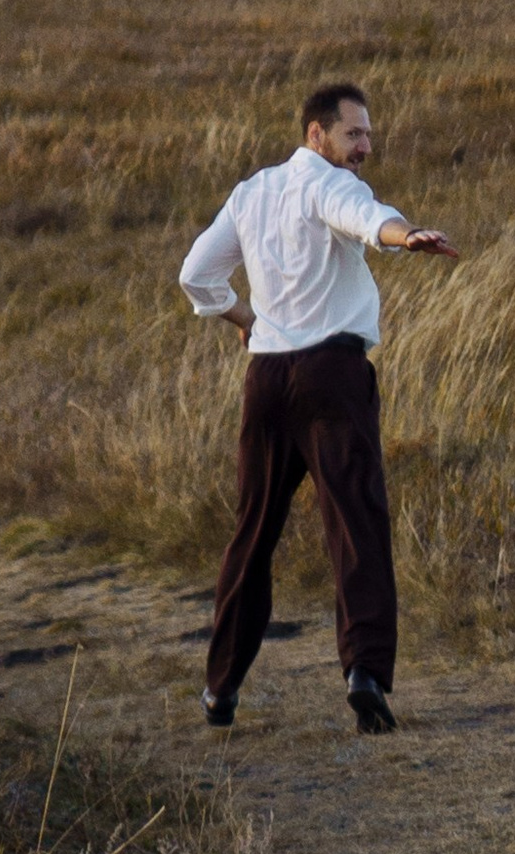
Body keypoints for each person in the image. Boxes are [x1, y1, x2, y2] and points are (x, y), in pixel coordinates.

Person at [181, 80, 458, 734]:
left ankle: (220, 689)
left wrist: (245, 320)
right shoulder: (327, 183)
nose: (365, 145)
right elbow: (364, 217)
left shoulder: (249, 194)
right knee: (355, 523)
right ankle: (364, 673)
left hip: (267, 381)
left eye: (367, 133)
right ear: (318, 134)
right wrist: (404, 234)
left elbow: (197, 274)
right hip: (331, 376)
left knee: (253, 532)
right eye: (354, 133)